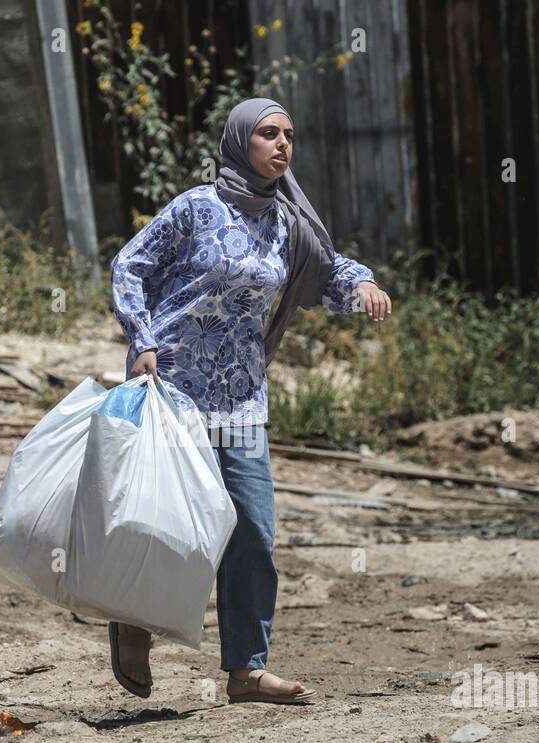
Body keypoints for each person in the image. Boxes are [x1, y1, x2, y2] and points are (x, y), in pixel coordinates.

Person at [107, 97, 392, 703]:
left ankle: (245, 670)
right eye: (268, 134)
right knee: (168, 524)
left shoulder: (287, 222)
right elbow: (130, 265)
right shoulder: (194, 209)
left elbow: (326, 269)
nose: (283, 145)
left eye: (289, 135)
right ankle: (133, 626)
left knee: (253, 529)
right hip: (173, 390)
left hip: (241, 399)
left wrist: (361, 283)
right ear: (240, 142)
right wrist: (142, 339)